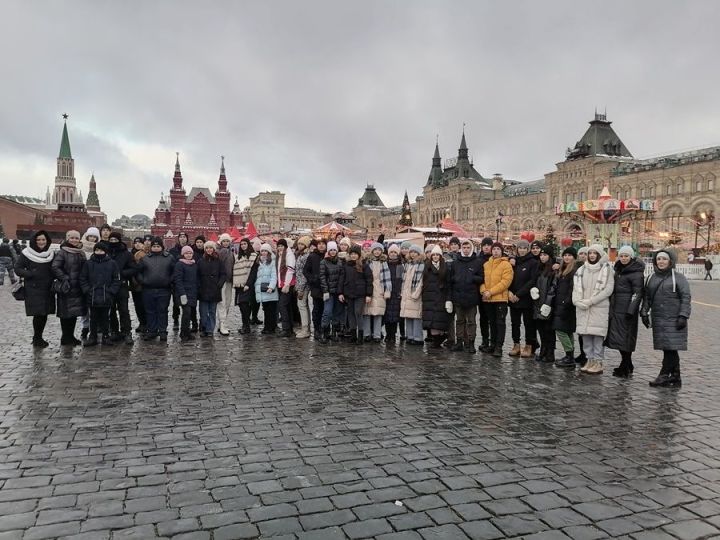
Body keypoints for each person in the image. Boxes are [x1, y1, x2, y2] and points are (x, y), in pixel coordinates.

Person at [641, 248, 691, 387]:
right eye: (658, 259)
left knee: (670, 347)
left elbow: (685, 298)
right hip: (659, 319)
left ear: (670, 261)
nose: (661, 261)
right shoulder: (651, 277)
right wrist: (644, 312)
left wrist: (683, 315)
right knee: (668, 347)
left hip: (674, 319)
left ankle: (664, 375)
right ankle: (675, 376)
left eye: (664, 259)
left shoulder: (679, 278)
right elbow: (647, 298)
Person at [572, 244, 614, 375]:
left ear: (599, 255)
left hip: (598, 307)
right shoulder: (581, 270)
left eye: (594, 253)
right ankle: (589, 359)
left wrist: (591, 301)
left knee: (597, 336)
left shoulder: (607, 270)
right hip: (583, 307)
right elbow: (576, 288)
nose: (591, 256)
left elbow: (608, 290)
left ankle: (598, 361)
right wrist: (577, 301)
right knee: (586, 336)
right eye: (590, 253)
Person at [606, 246, 644, 377]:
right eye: (621, 256)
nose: (623, 258)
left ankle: (626, 364)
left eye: (626, 256)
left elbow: (637, 293)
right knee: (619, 338)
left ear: (631, 257)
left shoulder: (636, 273)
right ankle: (626, 363)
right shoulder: (618, 270)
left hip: (627, 311)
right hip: (617, 308)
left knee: (626, 339)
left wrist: (631, 310)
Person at [14, 231, 55, 347]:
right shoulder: (26, 253)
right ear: (34, 241)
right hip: (34, 289)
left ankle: (39, 337)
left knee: (44, 314)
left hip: (47, 288)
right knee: (38, 314)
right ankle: (37, 338)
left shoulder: (50, 254)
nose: (41, 242)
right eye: (38, 240)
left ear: (47, 241)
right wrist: (30, 274)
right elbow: (17, 268)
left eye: (43, 240)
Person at [79, 241, 121, 346]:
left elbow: (116, 279)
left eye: (101, 250)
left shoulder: (112, 263)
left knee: (106, 317)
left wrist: (111, 291)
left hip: (106, 295)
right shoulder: (88, 263)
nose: (99, 252)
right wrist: (87, 290)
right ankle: (92, 336)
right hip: (92, 295)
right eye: (97, 250)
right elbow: (83, 278)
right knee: (93, 317)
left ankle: (106, 336)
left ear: (105, 251)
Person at [446, 239, 484, 353]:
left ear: (471, 248)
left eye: (468, 248)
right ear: (461, 249)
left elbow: (482, 278)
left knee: (471, 321)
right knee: (459, 321)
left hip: (471, 297)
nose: (466, 250)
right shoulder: (456, 262)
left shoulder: (477, 262)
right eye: (464, 248)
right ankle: (459, 342)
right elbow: (451, 279)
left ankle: (471, 343)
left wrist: (472, 278)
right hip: (458, 296)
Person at [136, 236, 175, 341]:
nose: (156, 248)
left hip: (164, 289)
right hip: (148, 289)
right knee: (150, 311)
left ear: (162, 247)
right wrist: (142, 281)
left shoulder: (169, 258)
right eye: (154, 246)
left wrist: (169, 281)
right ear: (151, 247)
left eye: (158, 246)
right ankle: (152, 330)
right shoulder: (145, 258)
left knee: (162, 310)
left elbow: (174, 271)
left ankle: (162, 331)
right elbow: (138, 271)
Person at [52, 230, 86, 346]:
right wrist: (65, 278)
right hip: (67, 287)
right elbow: (55, 267)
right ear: (67, 239)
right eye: (72, 238)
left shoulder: (81, 253)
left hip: (78, 287)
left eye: (76, 238)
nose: (74, 240)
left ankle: (70, 336)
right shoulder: (62, 252)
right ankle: (65, 337)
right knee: (65, 313)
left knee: (74, 313)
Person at [480, 242, 513, 357]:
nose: (496, 251)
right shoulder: (486, 264)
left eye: (498, 249)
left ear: (501, 251)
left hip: (500, 299)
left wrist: (491, 292)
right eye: (494, 249)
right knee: (492, 323)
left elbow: (505, 282)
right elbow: (482, 280)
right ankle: (492, 344)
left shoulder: (506, 264)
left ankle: (499, 347)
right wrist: (483, 291)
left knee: (500, 323)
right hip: (488, 299)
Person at [508, 239, 540, 358]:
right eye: (520, 248)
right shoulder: (513, 262)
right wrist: (510, 292)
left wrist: (519, 294)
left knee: (528, 323)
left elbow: (532, 281)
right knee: (514, 323)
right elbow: (508, 277)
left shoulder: (533, 262)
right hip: (512, 298)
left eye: (524, 248)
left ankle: (529, 345)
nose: (522, 250)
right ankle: (516, 344)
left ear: (528, 249)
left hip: (525, 298)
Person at [338, 244, 372, 343]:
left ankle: (360, 335)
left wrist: (368, 294)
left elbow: (369, 280)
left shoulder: (364, 266)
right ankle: (353, 335)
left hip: (360, 294)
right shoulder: (346, 266)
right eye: (352, 254)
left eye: (355, 254)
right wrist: (340, 293)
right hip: (349, 293)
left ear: (359, 255)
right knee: (351, 313)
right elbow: (342, 279)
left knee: (358, 313)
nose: (353, 256)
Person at [530, 245, 558, 363]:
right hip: (537, 303)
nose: (542, 257)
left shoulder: (553, 270)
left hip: (547, 305)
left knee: (549, 330)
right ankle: (543, 350)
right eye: (541, 255)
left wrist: (548, 303)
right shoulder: (539, 268)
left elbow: (553, 287)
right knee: (541, 329)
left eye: (545, 255)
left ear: (550, 256)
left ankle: (550, 353)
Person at [107, 231, 136, 344]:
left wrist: (121, 273)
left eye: (115, 240)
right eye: (111, 240)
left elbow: (133, 268)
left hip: (122, 285)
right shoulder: (106, 252)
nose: (113, 242)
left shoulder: (126, 254)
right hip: (109, 285)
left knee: (124, 310)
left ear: (119, 240)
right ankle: (114, 331)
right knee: (111, 310)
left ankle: (127, 332)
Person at [553, 247, 579, 368]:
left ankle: (569, 355)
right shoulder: (563, 269)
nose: (567, 257)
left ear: (574, 257)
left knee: (560, 330)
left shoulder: (573, 271)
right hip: (561, 303)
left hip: (566, 305)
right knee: (567, 331)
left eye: (569, 255)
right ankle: (570, 356)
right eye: (565, 255)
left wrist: (565, 303)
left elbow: (572, 290)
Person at [422, 245, 450, 349]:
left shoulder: (445, 268)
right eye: (433, 255)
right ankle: (436, 340)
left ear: (440, 256)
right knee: (431, 321)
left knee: (439, 320)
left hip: (441, 297)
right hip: (429, 296)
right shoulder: (426, 267)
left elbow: (448, 284)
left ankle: (441, 338)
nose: (435, 257)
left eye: (437, 255)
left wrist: (448, 299)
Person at [363, 242, 391, 342]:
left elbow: (388, 279)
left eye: (379, 250)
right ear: (372, 251)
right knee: (366, 312)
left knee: (378, 313)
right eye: (375, 250)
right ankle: (366, 333)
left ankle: (377, 334)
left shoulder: (384, 263)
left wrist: (387, 291)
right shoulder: (367, 262)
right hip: (368, 288)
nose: (377, 252)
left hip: (380, 289)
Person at [197, 240, 226, 338]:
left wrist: (219, 284)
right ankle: (204, 328)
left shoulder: (218, 261)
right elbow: (197, 275)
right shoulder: (201, 261)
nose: (209, 250)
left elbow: (223, 274)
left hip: (215, 289)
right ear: (205, 249)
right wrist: (199, 286)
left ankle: (210, 329)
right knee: (203, 312)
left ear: (214, 249)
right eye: (207, 248)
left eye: (211, 248)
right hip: (203, 290)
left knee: (212, 311)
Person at [233, 238, 258, 334]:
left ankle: (246, 326)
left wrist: (248, 284)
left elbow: (253, 272)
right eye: (241, 244)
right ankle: (244, 325)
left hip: (248, 285)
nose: (243, 245)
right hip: (238, 284)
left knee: (245, 305)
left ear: (248, 244)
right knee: (241, 305)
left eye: (245, 244)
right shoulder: (237, 257)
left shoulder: (254, 256)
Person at [400, 245, 424, 345]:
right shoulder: (407, 264)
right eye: (411, 252)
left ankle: (417, 337)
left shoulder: (421, 265)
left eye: (415, 252)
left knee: (416, 316)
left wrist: (416, 293)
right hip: (406, 293)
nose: (413, 254)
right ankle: (409, 336)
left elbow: (421, 281)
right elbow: (404, 280)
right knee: (408, 316)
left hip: (415, 293)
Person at [319, 241, 343, 343]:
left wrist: (341, 291)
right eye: (331, 250)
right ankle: (324, 332)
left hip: (337, 291)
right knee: (327, 312)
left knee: (336, 313)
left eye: (334, 250)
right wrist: (325, 290)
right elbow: (322, 277)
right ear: (328, 251)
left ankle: (334, 332)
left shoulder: (340, 262)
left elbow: (342, 277)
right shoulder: (323, 262)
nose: (333, 252)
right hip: (328, 291)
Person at [173, 245, 198, 341]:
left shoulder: (194, 264)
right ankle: (183, 333)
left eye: (190, 253)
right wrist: (182, 294)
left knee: (190, 313)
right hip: (184, 293)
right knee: (186, 313)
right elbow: (178, 280)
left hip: (192, 292)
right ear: (183, 254)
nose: (189, 255)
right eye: (187, 253)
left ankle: (186, 331)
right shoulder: (179, 264)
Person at [79, 227, 100, 340]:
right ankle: (85, 327)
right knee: (84, 307)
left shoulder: (99, 249)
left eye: (94, 237)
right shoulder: (80, 249)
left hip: (96, 282)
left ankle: (95, 328)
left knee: (95, 307)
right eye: (90, 236)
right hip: (83, 282)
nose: (92, 238)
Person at [304, 238, 326, 339]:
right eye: (319, 244)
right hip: (316, 288)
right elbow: (306, 271)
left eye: (323, 244)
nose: (321, 246)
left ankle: (325, 329)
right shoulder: (312, 256)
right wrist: (313, 280)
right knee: (317, 309)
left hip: (327, 288)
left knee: (326, 310)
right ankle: (317, 329)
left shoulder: (329, 255)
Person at [255, 243, 279, 335]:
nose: (264, 253)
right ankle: (267, 327)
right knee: (265, 309)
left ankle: (270, 327)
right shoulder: (259, 262)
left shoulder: (272, 262)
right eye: (262, 251)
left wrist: (271, 286)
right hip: (262, 290)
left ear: (269, 252)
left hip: (270, 290)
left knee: (271, 310)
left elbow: (274, 276)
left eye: (265, 251)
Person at [383, 244, 404, 344]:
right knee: (387, 315)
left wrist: (399, 291)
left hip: (396, 293)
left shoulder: (400, 266)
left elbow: (400, 280)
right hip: (387, 293)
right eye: (391, 252)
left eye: (395, 252)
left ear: (398, 254)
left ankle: (393, 334)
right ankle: (388, 334)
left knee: (395, 315)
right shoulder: (385, 264)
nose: (393, 254)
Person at [169, 231, 190, 329]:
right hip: (176, 280)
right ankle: (176, 319)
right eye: (181, 237)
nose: (182, 238)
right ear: (178, 239)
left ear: (187, 239)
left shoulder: (190, 249)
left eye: (184, 237)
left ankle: (188, 321)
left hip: (188, 280)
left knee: (189, 303)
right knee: (176, 302)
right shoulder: (173, 251)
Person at [276, 239, 296, 338]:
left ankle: (286, 328)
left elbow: (290, 269)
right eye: (278, 246)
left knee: (282, 305)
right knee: (287, 306)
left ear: (285, 246)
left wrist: (286, 284)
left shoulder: (288, 254)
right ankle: (290, 328)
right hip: (282, 284)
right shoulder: (280, 255)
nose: (280, 247)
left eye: (281, 246)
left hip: (287, 284)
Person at [215, 233, 235, 336]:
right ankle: (222, 323)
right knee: (222, 302)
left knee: (227, 302)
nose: (226, 243)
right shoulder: (220, 251)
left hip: (229, 280)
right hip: (222, 280)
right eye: (224, 241)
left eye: (227, 241)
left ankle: (222, 323)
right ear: (221, 242)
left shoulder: (231, 252)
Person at [477, 237, 494, 352]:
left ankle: (493, 342)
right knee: (483, 318)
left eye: (488, 245)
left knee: (492, 319)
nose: (486, 247)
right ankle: (485, 340)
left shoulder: (497, 258)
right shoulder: (478, 259)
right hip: (481, 293)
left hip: (494, 293)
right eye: (484, 245)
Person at [294, 236, 312, 339]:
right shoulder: (301, 254)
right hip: (300, 283)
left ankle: (305, 329)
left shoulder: (305, 256)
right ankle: (306, 327)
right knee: (303, 305)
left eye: (302, 244)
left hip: (303, 285)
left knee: (301, 305)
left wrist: (300, 288)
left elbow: (304, 273)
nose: (300, 246)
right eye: (299, 244)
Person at [574, 245, 589, 366]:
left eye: (585, 253)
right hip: (577, 301)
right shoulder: (576, 267)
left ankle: (587, 354)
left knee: (586, 330)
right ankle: (582, 352)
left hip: (587, 301)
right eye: (581, 254)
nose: (583, 256)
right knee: (580, 330)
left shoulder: (592, 268)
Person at [130, 237, 148, 334]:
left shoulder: (145, 254)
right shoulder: (130, 254)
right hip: (134, 284)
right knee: (137, 305)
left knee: (144, 304)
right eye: (135, 242)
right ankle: (142, 322)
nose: (137, 244)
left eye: (139, 242)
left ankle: (146, 323)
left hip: (143, 284)